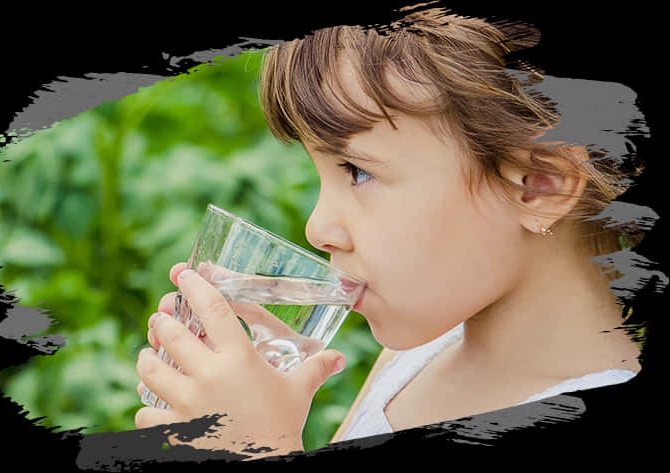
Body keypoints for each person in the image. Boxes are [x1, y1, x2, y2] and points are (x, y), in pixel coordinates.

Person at [133, 5, 644, 458]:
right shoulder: (416, 356)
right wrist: (260, 409)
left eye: (358, 171)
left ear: (540, 186)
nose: (318, 228)